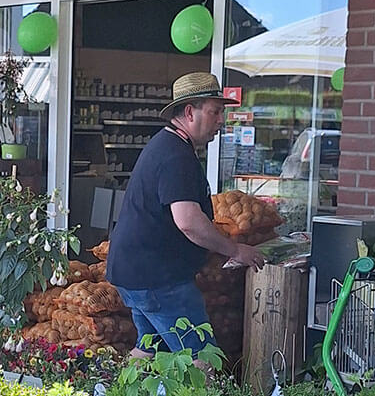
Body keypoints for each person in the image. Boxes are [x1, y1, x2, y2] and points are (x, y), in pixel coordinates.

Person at [106, 72, 265, 352]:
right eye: (215, 112)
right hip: (159, 279)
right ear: (190, 112)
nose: (221, 121)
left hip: (136, 272)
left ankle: (112, 395)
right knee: (201, 358)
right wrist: (234, 250)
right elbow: (188, 221)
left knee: (149, 349)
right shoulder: (176, 156)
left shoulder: (166, 145)